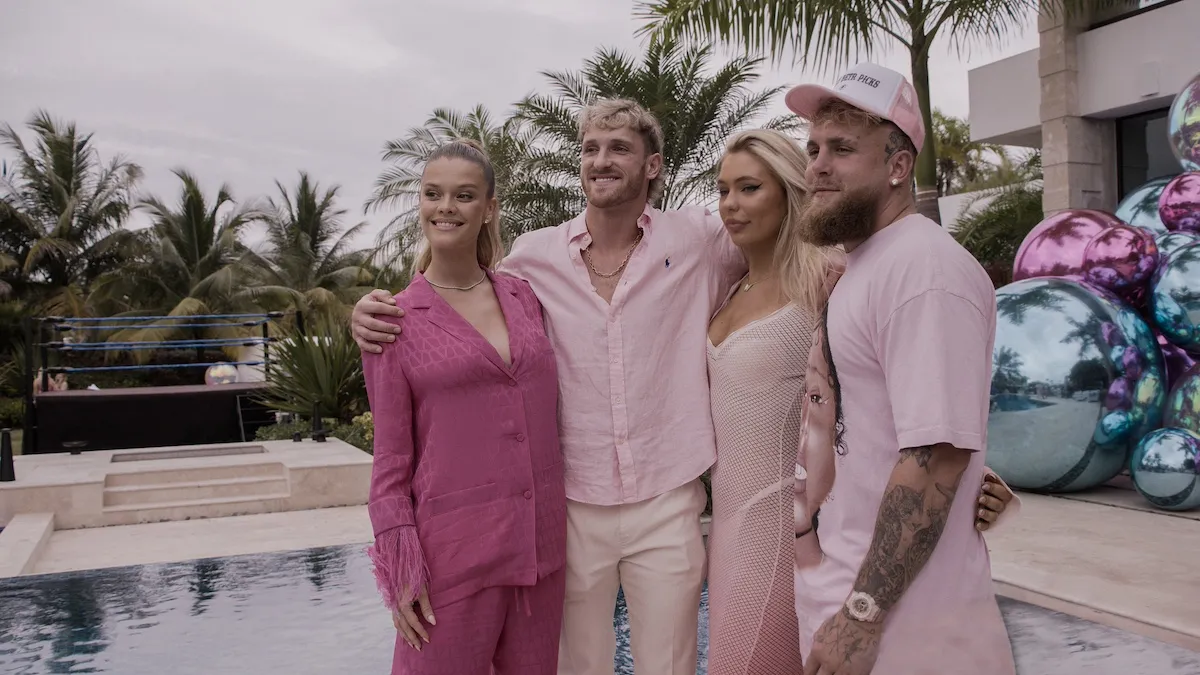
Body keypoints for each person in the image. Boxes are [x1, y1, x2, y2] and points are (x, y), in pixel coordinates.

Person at [356, 99, 744, 675]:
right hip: (570, 509)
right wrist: (366, 312)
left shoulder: (700, 240)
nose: (601, 161)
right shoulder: (532, 262)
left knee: (670, 666)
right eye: (590, 149)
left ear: (654, 165)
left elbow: (778, 242)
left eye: (619, 149)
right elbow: (457, 296)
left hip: (668, 497)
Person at [707, 129, 1017, 675]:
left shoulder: (830, 283)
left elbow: (905, 406)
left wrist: (974, 478)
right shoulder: (724, 284)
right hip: (730, 525)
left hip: (785, 531)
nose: (730, 204)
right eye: (723, 189)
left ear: (788, 192)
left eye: (750, 187)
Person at [785, 62, 1019, 675]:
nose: (817, 166)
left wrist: (862, 616)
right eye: (812, 149)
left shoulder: (924, 272)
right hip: (855, 604)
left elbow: (936, 454)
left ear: (897, 166)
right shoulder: (868, 267)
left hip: (907, 635)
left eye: (842, 149)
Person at [362, 139, 567, 675]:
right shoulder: (393, 320)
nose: (445, 207)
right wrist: (400, 565)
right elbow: (389, 460)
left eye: (463, 195)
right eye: (433, 194)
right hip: (450, 557)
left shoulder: (524, 296)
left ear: (490, 208)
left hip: (538, 550)